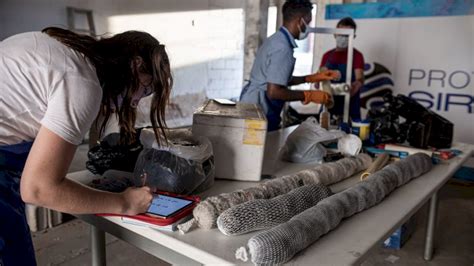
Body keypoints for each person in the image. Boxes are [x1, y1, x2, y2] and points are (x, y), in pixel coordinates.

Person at [0, 27, 173, 265]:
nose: (134, 102)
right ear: (134, 65)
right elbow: (38, 189)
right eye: (144, 89)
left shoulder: (65, 48)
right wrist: (124, 203)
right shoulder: (82, 84)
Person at [240, 0, 339, 131]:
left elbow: (277, 78)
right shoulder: (283, 48)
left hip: (252, 102)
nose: (308, 28)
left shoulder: (276, 39)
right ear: (300, 21)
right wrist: (308, 95)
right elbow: (274, 92)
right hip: (259, 108)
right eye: (308, 23)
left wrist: (310, 78)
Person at [319, 17, 365, 121]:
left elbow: (360, 78)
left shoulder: (357, 56)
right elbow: (321, 75)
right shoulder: (327, 56)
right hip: (329, 104)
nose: (343, 37)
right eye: (341, 34)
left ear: (353, 36)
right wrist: (318, 80)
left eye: (346, 35)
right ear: (335, 34)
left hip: (350, 106)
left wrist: (356, 85)